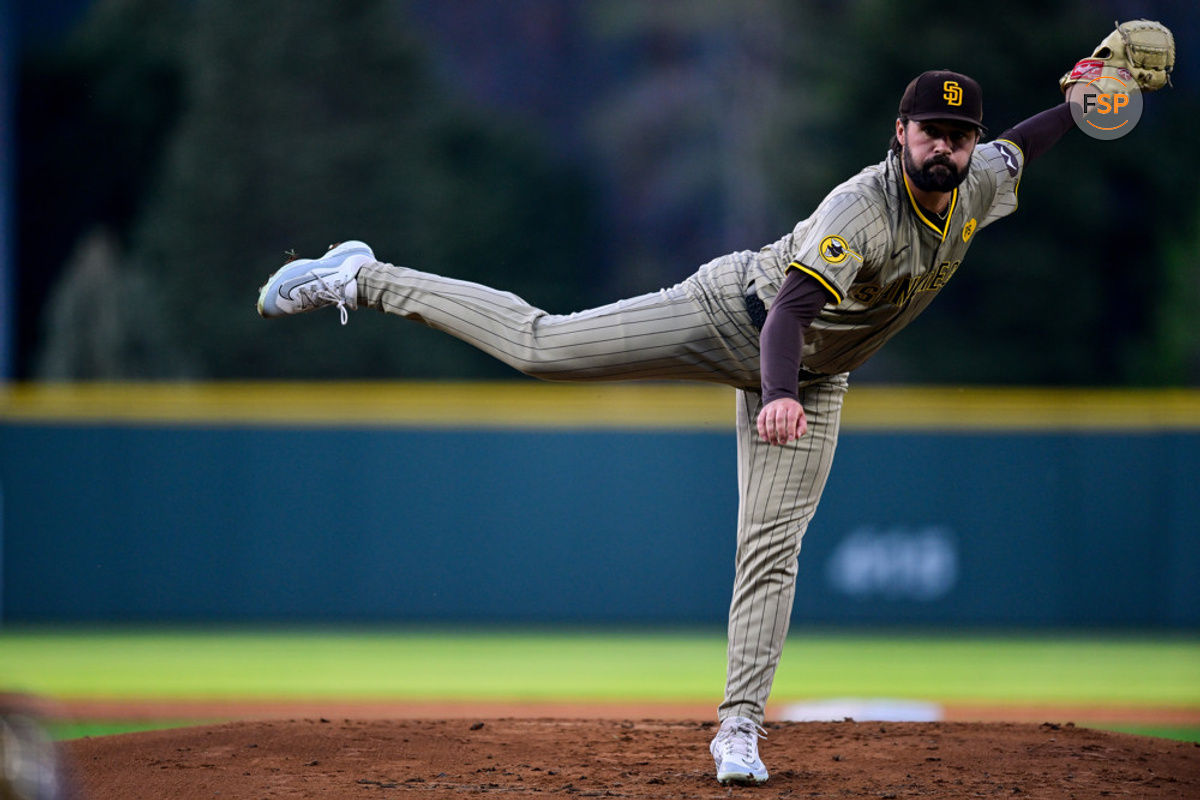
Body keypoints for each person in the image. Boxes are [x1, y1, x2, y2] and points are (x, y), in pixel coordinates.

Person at [256, 63, 1127, 784]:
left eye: (960, 133)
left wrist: (1081, 102)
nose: (947, 145)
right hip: (734, 316)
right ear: (899, 134)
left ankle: (738, 728)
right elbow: (788, 309)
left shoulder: (977, 181)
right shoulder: (859, 210)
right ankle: (364, 277)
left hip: (819, 376)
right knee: (543, 348)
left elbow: (1027, 146)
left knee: (770, 549)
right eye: (930, 131)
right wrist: (775, 390)